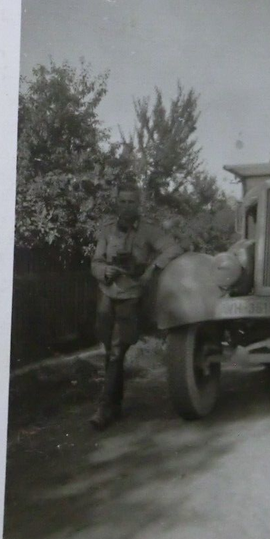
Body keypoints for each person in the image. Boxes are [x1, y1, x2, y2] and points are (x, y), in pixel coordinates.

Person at [89, 183, 183, 429]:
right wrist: (104, 270)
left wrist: (152, 269)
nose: (127, 206)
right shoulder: (107, 231)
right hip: (107, 294)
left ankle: (103, 408)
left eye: (132, 202)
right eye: (123, 201)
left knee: (118, 351)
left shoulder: (149, 232)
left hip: (131, 295)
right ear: (116, 203)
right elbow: (95, 262)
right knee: (110, 352)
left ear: (138, 204)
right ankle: (115, 405)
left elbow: (174, 248)